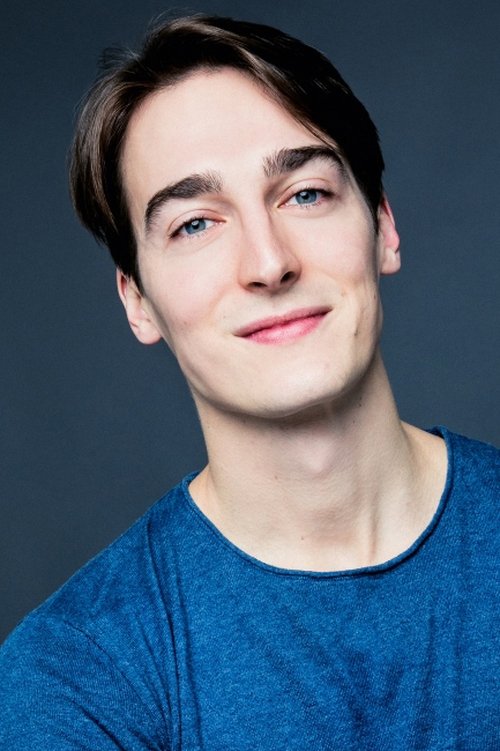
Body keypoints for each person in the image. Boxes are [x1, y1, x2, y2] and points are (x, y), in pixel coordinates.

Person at [1, 14, 498, 750]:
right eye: (195, 224)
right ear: (137, 300)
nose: (269, 263)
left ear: (383, 225)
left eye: (305, 194)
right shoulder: (69, 680)